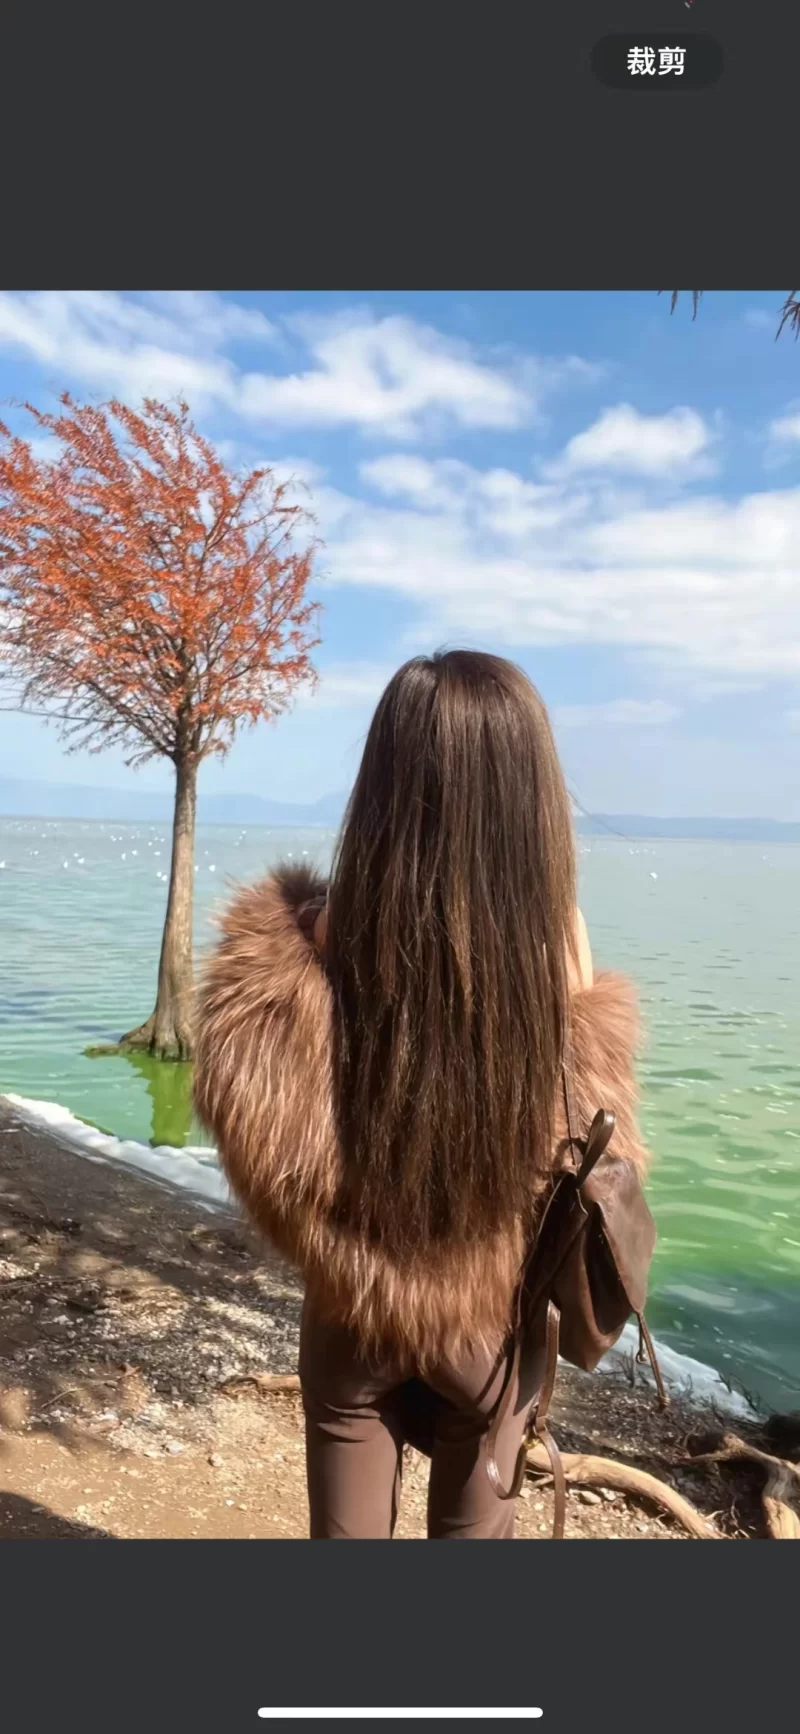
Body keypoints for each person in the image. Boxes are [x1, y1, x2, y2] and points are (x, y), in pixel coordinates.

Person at [193, 650, 649, 1539]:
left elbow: (260, 1120)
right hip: (491, 1327)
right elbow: (584, 1151)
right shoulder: (558, 944)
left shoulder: (327, 928)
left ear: (385, 780)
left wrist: (336, 1244)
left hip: (351, 1309)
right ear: (530, 792)